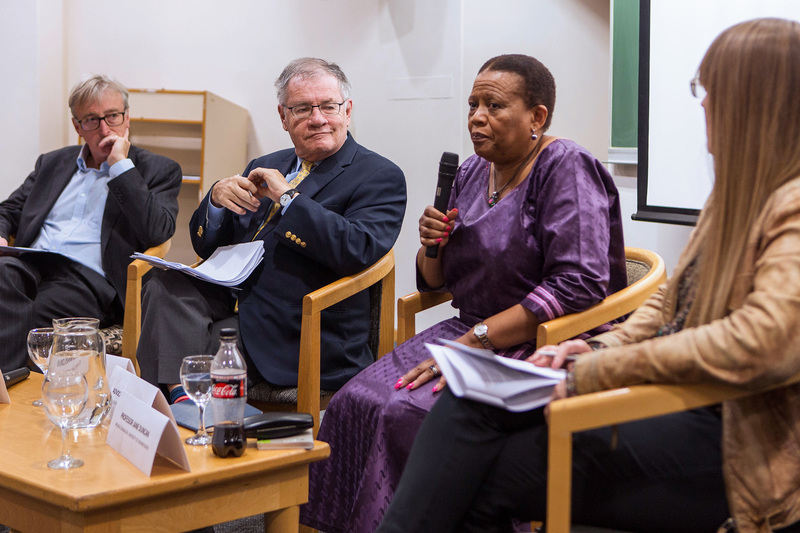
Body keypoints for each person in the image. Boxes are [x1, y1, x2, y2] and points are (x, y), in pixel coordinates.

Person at [377, 18, 800, 533]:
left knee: (471, 476)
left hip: (735, 435)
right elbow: (672, 308)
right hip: (676, 396)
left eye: (709, 90)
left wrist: (603, 370)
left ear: (754, 102)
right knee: (470, 405)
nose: (704, 105)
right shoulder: (733, 198)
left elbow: (765, 341)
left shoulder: (791, 206)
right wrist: (599, 349)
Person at [301, 54, 627, 533]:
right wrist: (432, 245)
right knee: (354, 401)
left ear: (537, 117)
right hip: (467, 328)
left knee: (409, 413)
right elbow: (436, 282)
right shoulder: (472, 171)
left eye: (494, 105)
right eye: (473, 104)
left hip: (540, 342)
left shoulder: (566, 165)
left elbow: (578, 284)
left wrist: (475, 341)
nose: (477, 116)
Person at [136, 58, 407, 400]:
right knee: (163, 284)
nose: (318, 118)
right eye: (303, 109)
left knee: (172, 344)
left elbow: (357, 248)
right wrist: (216, 202)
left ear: (347, 110)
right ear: (283, 117)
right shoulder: (267, 165)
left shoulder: (379, 174)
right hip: (236, 307)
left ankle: (182, 403)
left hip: (301, 328)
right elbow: (208, 248)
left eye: (328, 106)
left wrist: (289, 199)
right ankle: (182, 400)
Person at [0, 74, 182, 373]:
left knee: (32, 317)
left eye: (112, 116)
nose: (104, 128)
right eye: (91, 120)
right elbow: (8, 209)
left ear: (127, 118)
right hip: (31, 262)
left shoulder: (157, 170)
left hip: (88, 279)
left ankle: (11, 392)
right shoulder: (52, 163)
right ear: (77, 126)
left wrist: (120, 165)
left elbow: (157, 230)